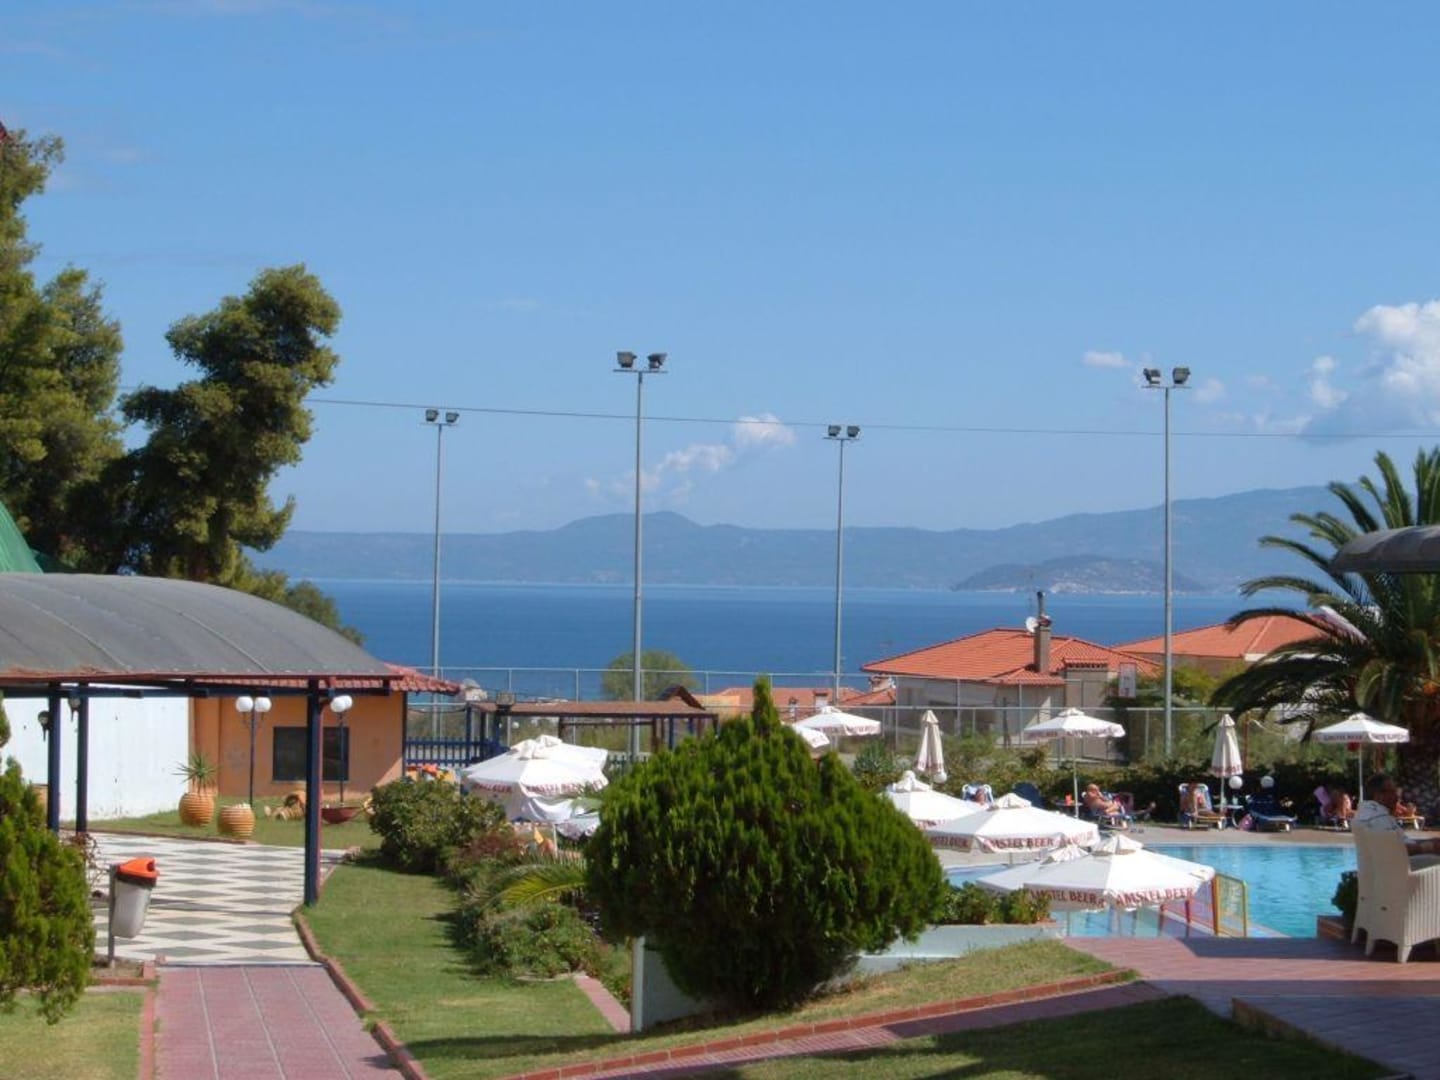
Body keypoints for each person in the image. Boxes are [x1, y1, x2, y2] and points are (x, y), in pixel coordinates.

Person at [1353, 773, 1440, 868]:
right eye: (1393, 792)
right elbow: (1394, 850)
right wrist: (1429, 846)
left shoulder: (1367, 813)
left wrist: (1430, 842)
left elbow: (1397, 843)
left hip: (1385, 867)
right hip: (1397, 868)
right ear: (1378, 795)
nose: (1397, 797)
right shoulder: (1377, 818)